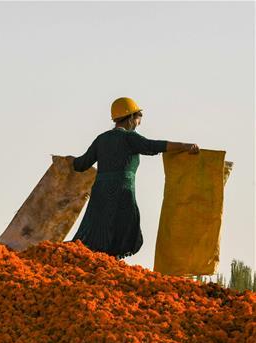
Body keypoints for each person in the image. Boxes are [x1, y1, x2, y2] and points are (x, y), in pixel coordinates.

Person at [69, 97, 198, 259]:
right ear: (130, 118)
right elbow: (153, 146)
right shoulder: (129, 138)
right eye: (138, 118)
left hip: (100, 193)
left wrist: (68, 160)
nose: (139, 124)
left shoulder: (101, 139)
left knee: (99, 231)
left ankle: (97, 263)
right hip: (122, 192)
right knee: (126, 230)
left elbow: (81, 164)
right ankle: (109, 263)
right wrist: (183, 146)